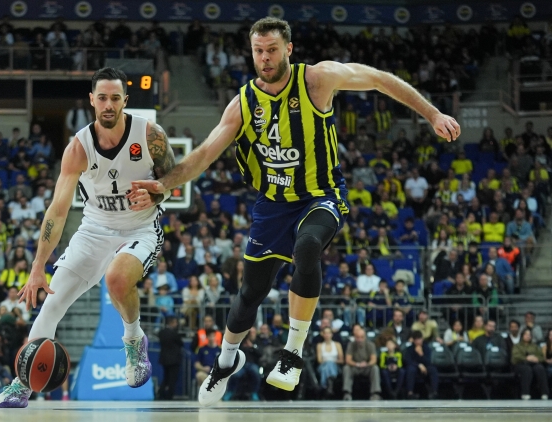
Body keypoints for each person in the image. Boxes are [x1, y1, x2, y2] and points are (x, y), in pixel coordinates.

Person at [131, 17, 459, 405]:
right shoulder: (243, 103)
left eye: (272, 49)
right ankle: (226, 361)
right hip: (273, 204)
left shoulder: (317, 79)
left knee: (308, 247)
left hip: (321, 195)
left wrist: (433, 114)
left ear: (288, 49)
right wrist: (163, 184)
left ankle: (292, 353)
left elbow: (379, 79)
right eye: (258, 51)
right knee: (250, 293)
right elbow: (203, 155)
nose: (265, 58)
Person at [0, 68, 176, 408]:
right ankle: (23, 383)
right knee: (51, 304)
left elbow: (173, 179)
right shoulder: (78, 147)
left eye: (115, 98)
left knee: (117, 279)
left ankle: (133, 340)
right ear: (92, 100)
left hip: (139, 228)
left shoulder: (150, 134)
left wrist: (157, 193)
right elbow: (58, 210)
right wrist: (37, 266)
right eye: (102, 98)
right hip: (93, 230)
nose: (109, 105)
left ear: (125, 100)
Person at [342, 325, 382, 400]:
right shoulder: (351, 345)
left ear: (365, 337)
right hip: (355, 367)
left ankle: (375, 393)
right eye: (358, 337)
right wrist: (357, 364)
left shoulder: (370, 345)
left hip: (366, 367)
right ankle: (347, 393)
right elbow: (348, 360)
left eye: (361, 337)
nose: (360, 339)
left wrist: (367, 364)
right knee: (346, 368)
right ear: (354, 337)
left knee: (375, 368)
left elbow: (373, 360)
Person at [511, 328, 549, 400]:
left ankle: (544, 393)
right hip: (521, 364)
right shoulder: (517, 346)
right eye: (526, 334)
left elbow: (541, 357)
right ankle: (525, 393)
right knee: (527, 369)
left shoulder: (535, 346)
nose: (528, 336)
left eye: (529, 335)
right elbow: (515, 357)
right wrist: (526, 358)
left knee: (540, 368)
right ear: (522, 335)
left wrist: (537, 359)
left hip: (534, 364)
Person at [404, 330, 438, 399]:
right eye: (416, 340)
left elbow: (429, 361)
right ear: (413, 340)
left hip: (425, 367)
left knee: (433, 370)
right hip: (415, 367)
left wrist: (421, 354)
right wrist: (418, 365)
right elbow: (408, 361)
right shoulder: (409, 349)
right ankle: (410, 393)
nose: (418, 341)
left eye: (419, 339)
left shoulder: (426, 348)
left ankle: (434, 392)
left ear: (422, 339)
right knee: (410, 369)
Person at [157, 316, 183, 400]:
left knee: (166, 377)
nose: (176, 324)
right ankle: (169, 396)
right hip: (174, 359)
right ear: (171, 323)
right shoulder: (175, 334)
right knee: (172, 379)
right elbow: (181, 343)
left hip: (164, 359)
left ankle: (160, 393)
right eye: (175, 322)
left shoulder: (162, 332)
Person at [315, 326, 344, 396]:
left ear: (331, 334)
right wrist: (329, 361)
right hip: (322, 366)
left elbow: (341, 360)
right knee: (327, 365)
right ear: (323, 334)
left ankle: (324, 386)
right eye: (325, 333)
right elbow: (319, 360)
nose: (327, 335)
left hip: (335, 366)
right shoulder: (319, 345)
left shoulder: (337, 344)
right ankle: (330, 380)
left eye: (328, 333)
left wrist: (331, 361)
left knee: (328, 365)